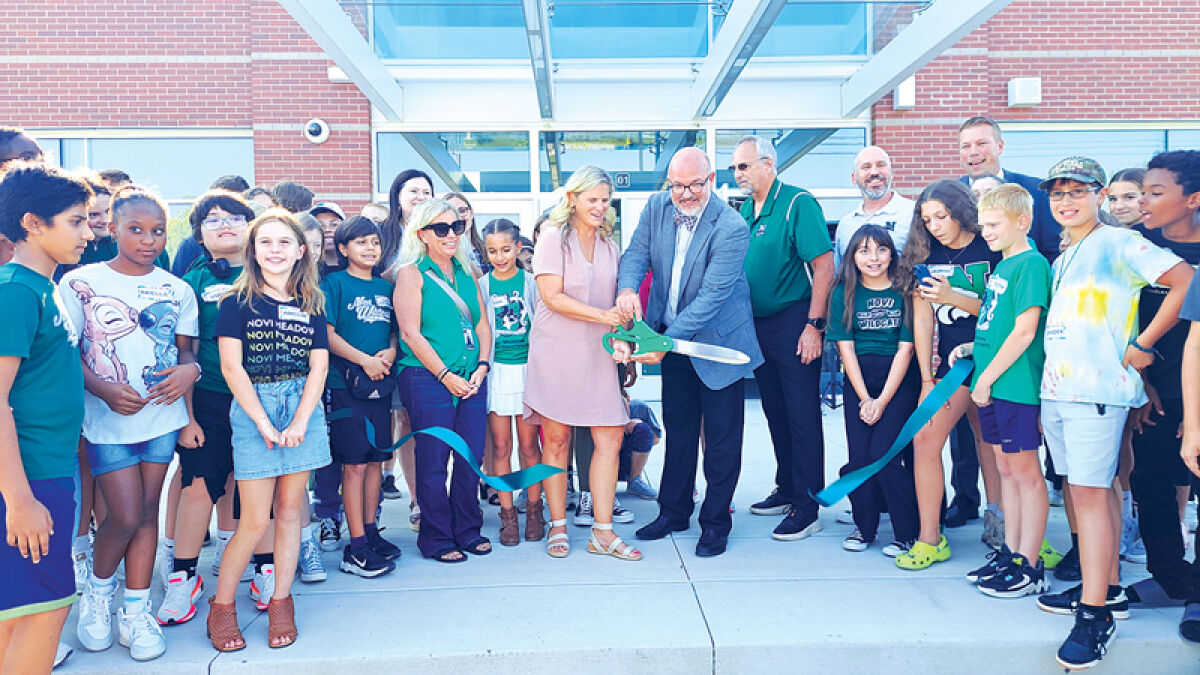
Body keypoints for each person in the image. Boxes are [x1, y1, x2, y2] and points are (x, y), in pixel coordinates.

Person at [1029, 157, 1191, 670]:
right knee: (1086, 493)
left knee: (1091, 496)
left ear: (1099, 195)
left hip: (1096, 393)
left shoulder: (1119, 242)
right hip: (1060, 392)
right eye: (1057, 192)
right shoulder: (1063, 255)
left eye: (1077, 190)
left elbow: (1184, 279)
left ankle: (1095, 614)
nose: (1065, 200)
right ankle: (1109, 587)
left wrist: (1143, 345)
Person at [63, 187, 199, 661]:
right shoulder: (80, 281)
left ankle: (136, 610)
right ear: (113, 228)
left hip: (162, 418)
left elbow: (187, 352)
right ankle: (99, 597)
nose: (148, 240)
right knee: (122, 514)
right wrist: (102, 389)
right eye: (136, 230)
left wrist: (190, 371)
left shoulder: (177, 288)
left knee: (146, 514)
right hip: (106, 421)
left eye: (157, 231)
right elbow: (68, 353)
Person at [614, 147, 762, 557]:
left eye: (695, 185)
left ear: (711, 180)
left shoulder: (731, 226)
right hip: (671, 337)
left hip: (719, 345)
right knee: (679, 433)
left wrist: (663, 344)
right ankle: (673, 512)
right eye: (678, 185)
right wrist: (628, 289)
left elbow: (712, 296)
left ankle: (715, 523)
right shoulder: (657, 205)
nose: (686, 194)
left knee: (721, 440)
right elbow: (636, 255)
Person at [208, 208, 332, 651]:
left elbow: (319, 366)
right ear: (253, 250)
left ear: (301, 251)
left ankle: (281, 599)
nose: (275, 251)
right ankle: (222, 606)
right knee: (255, 519)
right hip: (254, 407)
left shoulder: (312, 302)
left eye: (284, 243)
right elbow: (230, 366)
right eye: (266, 242)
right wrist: (262, 420)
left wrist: (300, 419)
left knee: (291, 512)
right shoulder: (235, 303)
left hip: (303, 407)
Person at [0, 163, 92, 674]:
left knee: (19, 613)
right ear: (34, 223)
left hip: (48, 471)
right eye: (76, 222)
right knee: (43, 610)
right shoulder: (16, 290)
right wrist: (20, 501)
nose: (88, 231)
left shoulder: (43, 286)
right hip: (28, 481)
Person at [524, 165, 640, 561]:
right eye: (592, 199)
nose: (600, 206)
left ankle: (602, 533)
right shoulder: (554, 237)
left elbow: (620, 304)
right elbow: (551, 296)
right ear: (572, 199)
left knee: (610, 436)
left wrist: (623, 337)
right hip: (556, 349)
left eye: (605, 200)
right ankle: (558, 525)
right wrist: (607, 317)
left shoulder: (611, 245)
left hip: (599, 350)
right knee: (555, 440)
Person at [162, 190, 262, 628]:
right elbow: (185, 352)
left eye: (235, 217)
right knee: (199, 484)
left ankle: (266, 567)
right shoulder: (193, 281)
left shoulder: (274, 273)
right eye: (213, 219)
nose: (225, 224)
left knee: (258, 489)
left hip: (266, 400)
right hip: (210, 399)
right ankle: (183, 577)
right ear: (199, 234)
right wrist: (188, 417)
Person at [893, 180, 1002, 570]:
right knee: (925, 440)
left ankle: (1006, 530)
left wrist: (953, 296)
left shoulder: (991, 245)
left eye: (941, 216)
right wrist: (926, 378)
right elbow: (923, 319)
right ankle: (929, 538)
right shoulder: (926, 252)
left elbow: (1005, 312)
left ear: (959, 210)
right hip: (952, 369)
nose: (935, 225)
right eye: (926, 219)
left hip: (999, 363)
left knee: (995, 448)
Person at [950, 184, 1053, 597]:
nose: (986, 232)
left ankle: (1030, 564)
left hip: (1016, 387)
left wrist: (988, 377)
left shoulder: (1030, 265)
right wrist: (973, 349)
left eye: (994, 225)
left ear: (1021, 222)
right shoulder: (1003, 267)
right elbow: (1000, 326)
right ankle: (1011, 552)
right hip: (991, 384)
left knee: (1027, 475)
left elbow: (1026, 331)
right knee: (1005, 471)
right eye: (984, 225)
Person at [733, 135, 835, 542]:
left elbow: (824, 268)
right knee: (774, 411)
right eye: (734, 168)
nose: (737, 174)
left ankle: (808, 505)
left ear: (768, 165)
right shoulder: (745, 210)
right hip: (757, 326)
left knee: (802, 415)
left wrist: (815, 326)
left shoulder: (798, 203)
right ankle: (787, 487)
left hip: (795, 321)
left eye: (743, 166)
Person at [393, 199, 492, 563]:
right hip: (427, 378)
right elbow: (410, 333)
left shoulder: (468, 272)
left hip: (472, 376)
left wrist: (482, 365)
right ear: (422, 233)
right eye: (441, 228)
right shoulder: (411, 273)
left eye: (456, 227)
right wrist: (445, 375)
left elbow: (481, 324)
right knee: (433, 458)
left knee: (470, 456)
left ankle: (468, 529)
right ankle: (436, 537)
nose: (451, 234)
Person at [1125, 151, 1200, 616]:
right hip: (1153, 391)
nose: (1145, 202)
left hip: (1197, 391)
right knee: (1147, 480)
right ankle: (1172, 579)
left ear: (1193, 199)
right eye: (1143, 192)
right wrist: (1142, 384)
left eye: (1157, 193)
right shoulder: (1136, 243)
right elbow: (1124, 319)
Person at [828, 224, 920, 556]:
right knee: (860, 457)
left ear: (891, 254)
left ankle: (906, 532)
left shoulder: (904, 290)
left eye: (881, 249)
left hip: (898, 379)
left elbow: (905, 349)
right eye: (864, 250)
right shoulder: (843, 292)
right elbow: (846, 349)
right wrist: (865, 398)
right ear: (852, 256)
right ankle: (864, 527)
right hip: (859, 379)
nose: (874, 257)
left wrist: (882, 401)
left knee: (886, 455)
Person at [322, 217, 402, 577]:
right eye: (360, 243)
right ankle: (353, 547)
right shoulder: (334, 284)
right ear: (343, 248)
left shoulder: (385, 289)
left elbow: (394, 334)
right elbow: (327, 334)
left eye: (374, 242)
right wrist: (363, 360)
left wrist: (387, 354)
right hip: (346, 386)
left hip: (380, 386)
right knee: (353, 465)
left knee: (374, 462)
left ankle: (370, 532)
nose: (370, 249)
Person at [478, 218, 544, 546]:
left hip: (528, 371)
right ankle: (507, 516)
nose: (500, 256)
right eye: (492, 251)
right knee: (501, 446)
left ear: (518, 248)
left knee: (530, 446)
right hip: (498, 373)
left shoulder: (531, 282)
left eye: (506, 249)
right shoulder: (482, 285)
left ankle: (534, 509)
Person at [377, 170, 434, 529]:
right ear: (398, 195)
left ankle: (431, 497)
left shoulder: (439, 230)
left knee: (427, 422)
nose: (419, 195)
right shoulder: (382, 235)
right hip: (388, 339)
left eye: (426, 191)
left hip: (433, 338)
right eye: (413, 190)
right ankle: (415, 499)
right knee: (402, 420)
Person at [956, 116, 1058, 261]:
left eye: (981, 143)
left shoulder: (1036, 191)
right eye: (966, 146)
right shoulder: (951, 196)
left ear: (1000, 147)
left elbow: (1052, 252)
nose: (973, 152)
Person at [833, 146, 915, 270]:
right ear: (854, 178)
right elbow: (840, 275)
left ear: (892, 173)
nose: (874, 172)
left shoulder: (914, 213)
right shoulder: (846, 225)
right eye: (866, 167)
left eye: (881, 165)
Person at [445, 192, 490, 276]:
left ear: (471, 213)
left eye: (462, 210)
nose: (458, 216)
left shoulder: (488, 250)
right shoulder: (441, 251)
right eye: (451, 212)